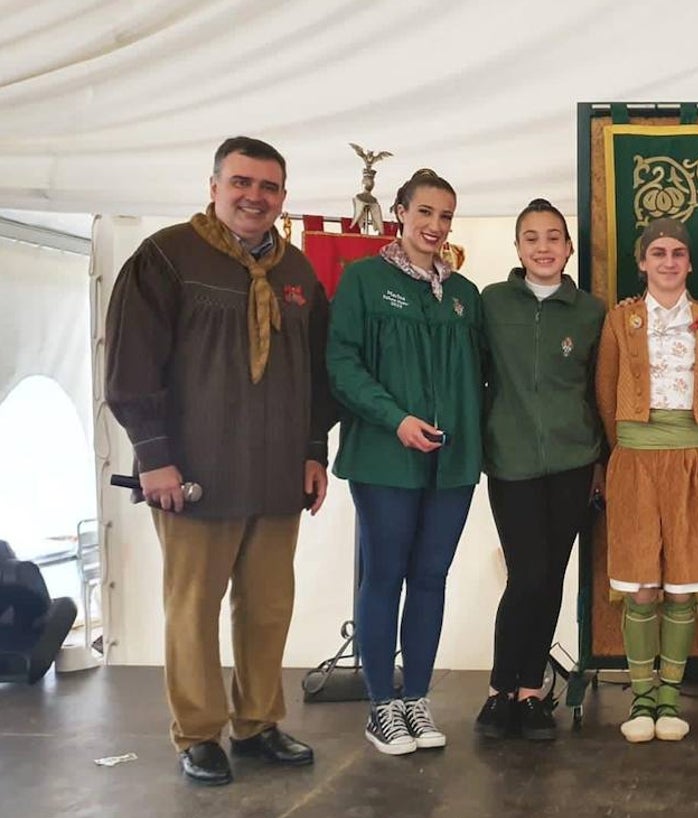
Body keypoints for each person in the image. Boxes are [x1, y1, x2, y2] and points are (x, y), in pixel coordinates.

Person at [105, 136, 336, 785]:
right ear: (214, 186)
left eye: (267, 187)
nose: (253, 197)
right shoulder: (167, 257)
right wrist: (154, 457)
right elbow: (129, 363)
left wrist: (314, 450)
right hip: (193, 475)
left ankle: (258, 723)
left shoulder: (296, 274)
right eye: (242, 182)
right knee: (193, 607)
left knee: (266, 608)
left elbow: (317, 373)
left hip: (275, 474)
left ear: (283, 198)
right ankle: (199, 732)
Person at [327, 168, 483, 756]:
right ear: (399, 213)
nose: (435, 226)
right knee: (383, 576)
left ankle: (415, 697)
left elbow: (486, 375)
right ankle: (381, 706)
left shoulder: (464, 295)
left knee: (430, 578)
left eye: (445, 216)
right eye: (425, 213)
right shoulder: (365, 281)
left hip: (452, 465)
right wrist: (395, 419)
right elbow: (342, 363)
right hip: (385, 459)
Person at [595, 217, 698, 743]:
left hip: (694, 456)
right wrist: (631, 448)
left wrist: (696, 446)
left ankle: (672, 699)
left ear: (690, 262)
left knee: (682, 585)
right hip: (636, 456)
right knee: (642, 584)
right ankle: (641, 698)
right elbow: (606, 393)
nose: (669, 262)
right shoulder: (620, 321)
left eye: (678, 253)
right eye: (658, 253)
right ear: (641, 261)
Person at [474, 198, 607, 740]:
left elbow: (601, 389)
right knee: (526, 574)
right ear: (518, 248)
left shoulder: (592, 312)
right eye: (531, 237)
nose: (543, 247)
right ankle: (499, 689)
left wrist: (601, 459)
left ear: (569, 248)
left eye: (554, 237)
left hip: (575, 463)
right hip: (512, 462)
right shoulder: (490, 302)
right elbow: (473, 376)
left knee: (551, 576)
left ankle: (530, 693)